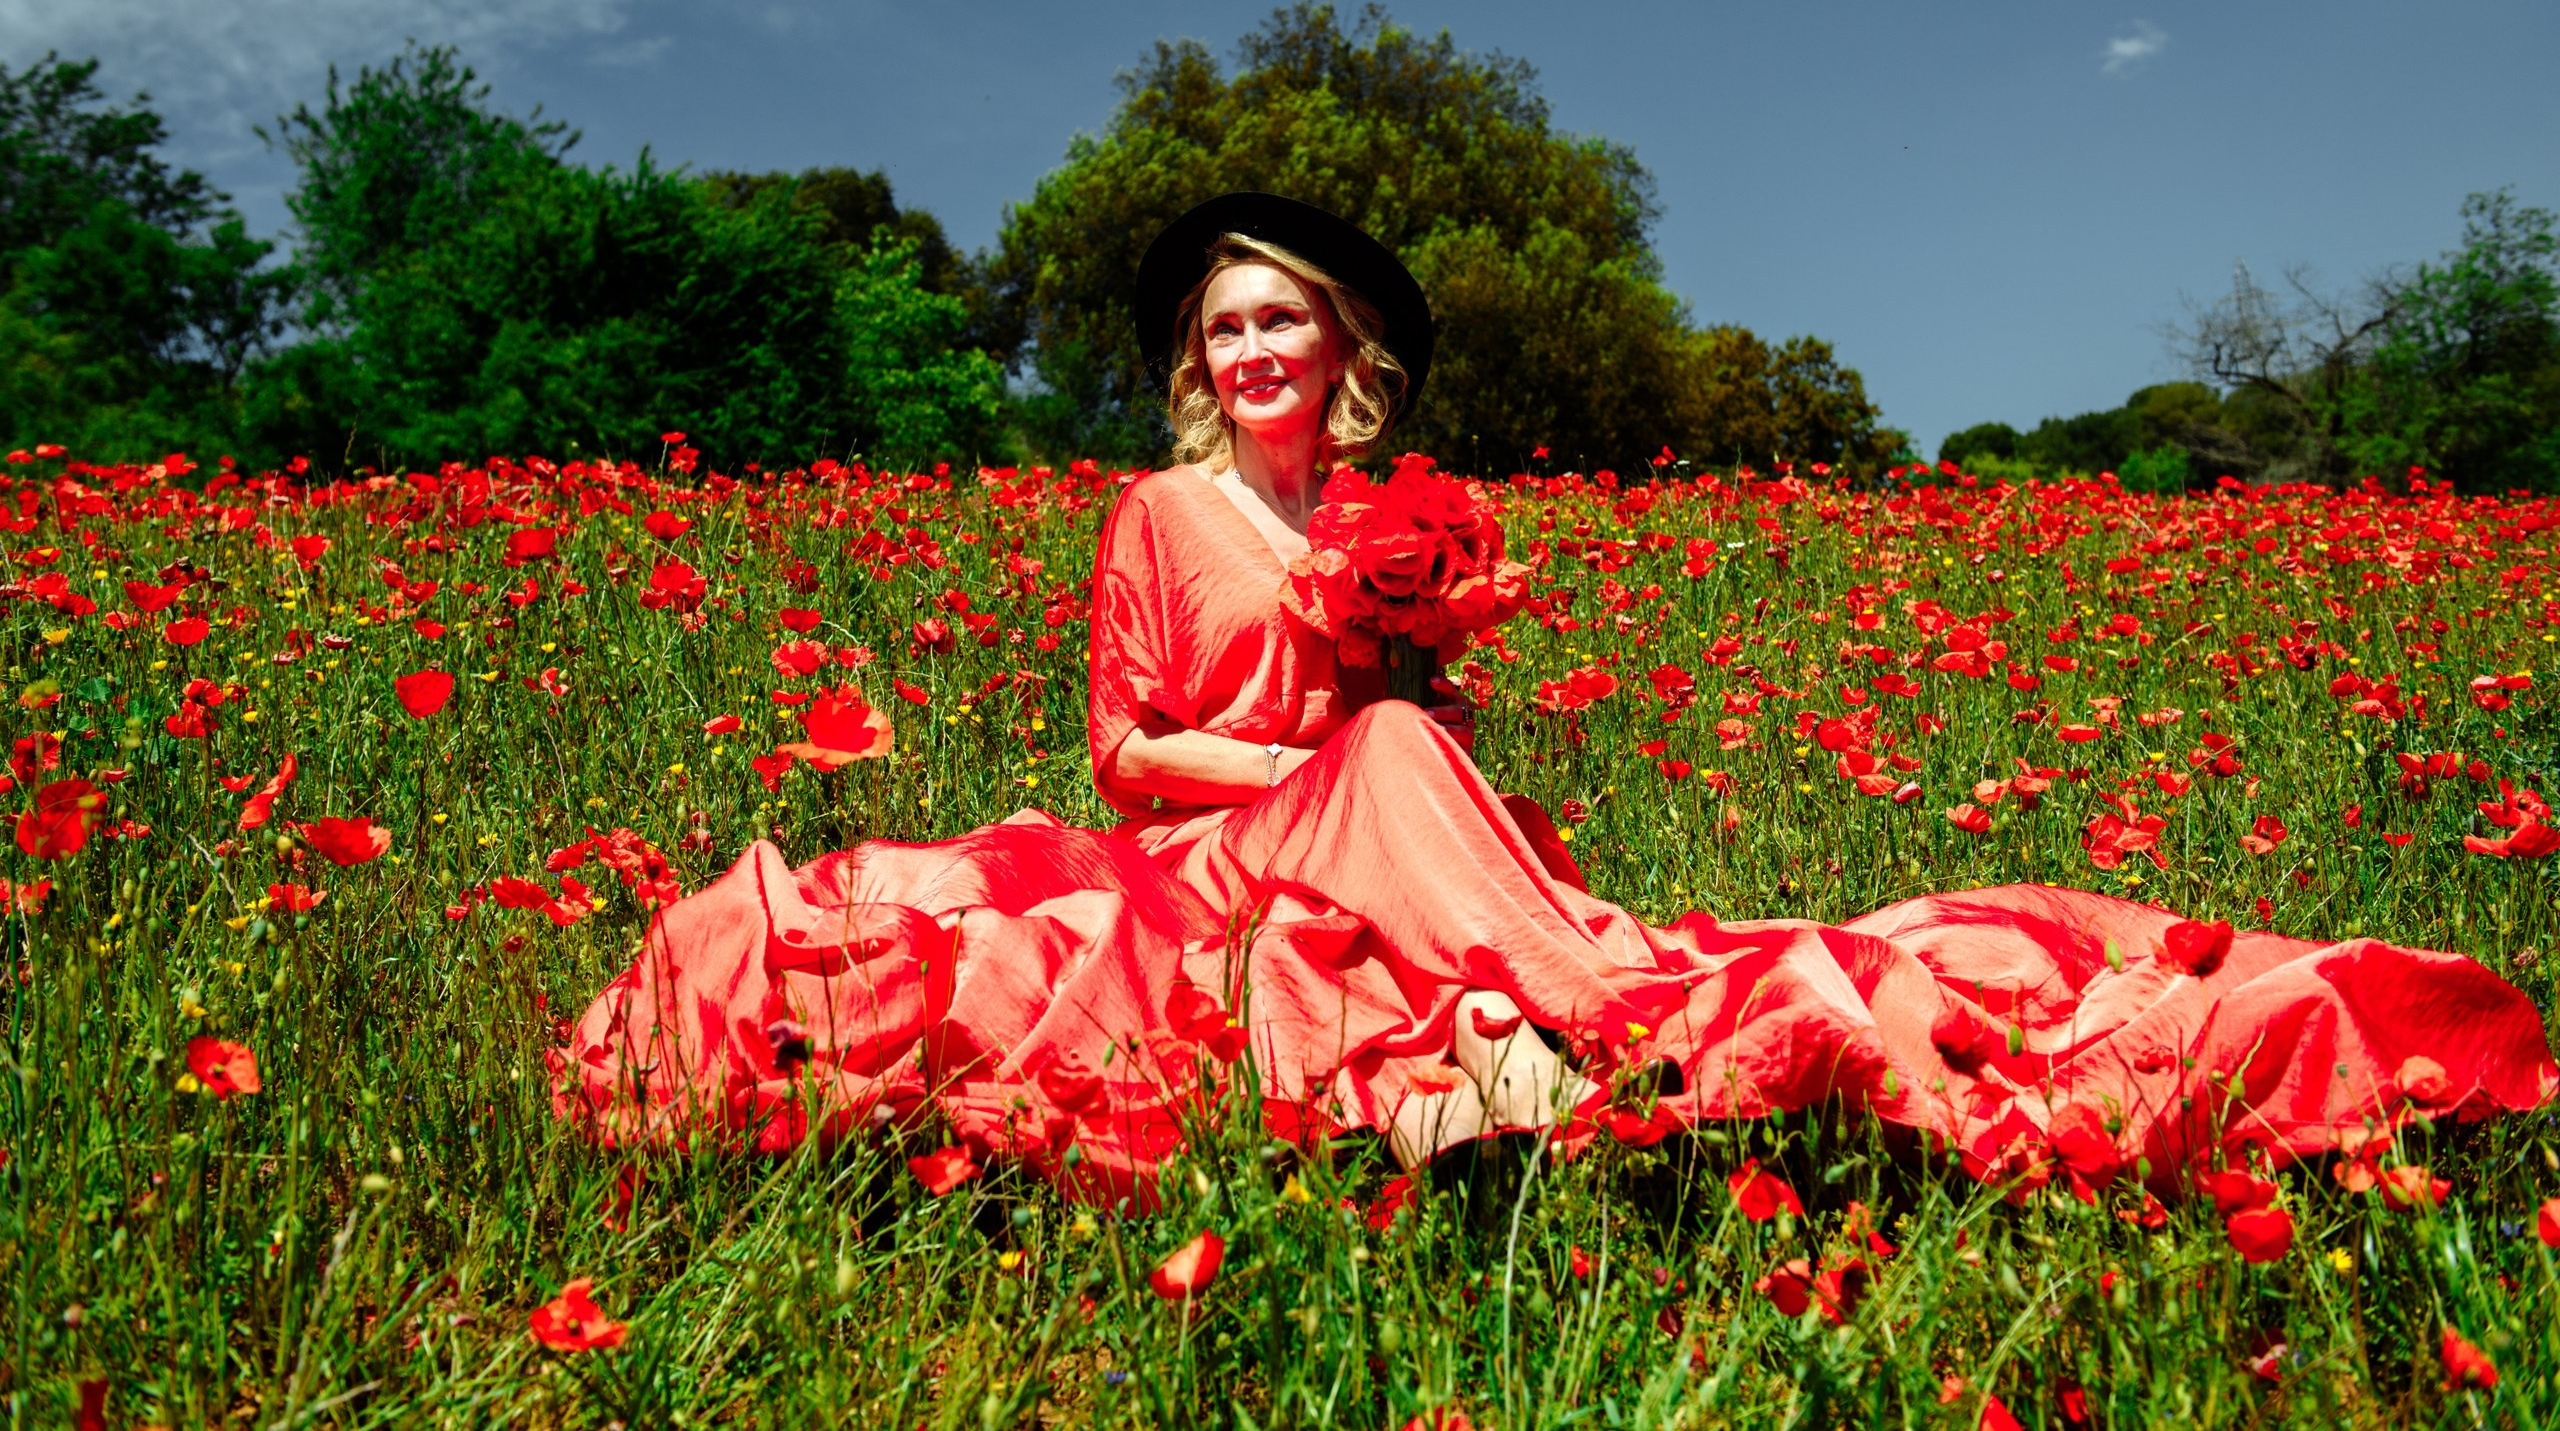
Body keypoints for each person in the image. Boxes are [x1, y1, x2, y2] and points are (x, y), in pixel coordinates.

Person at [558, 193, 2555, 1204]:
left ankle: (1526, 1050)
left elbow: (1416, 695)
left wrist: (1390, 646)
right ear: (1195, 361)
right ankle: (1551, 1046)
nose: (1249, 345)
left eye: (1279, 319)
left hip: (1390, 803)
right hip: (1210, 846)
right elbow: (1119, 745)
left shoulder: (1420, 505)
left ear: (1339, 350)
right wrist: (1295, 748)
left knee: (1417, 739)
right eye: (1219, 325)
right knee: (1385, 755)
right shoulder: (1152, 517)